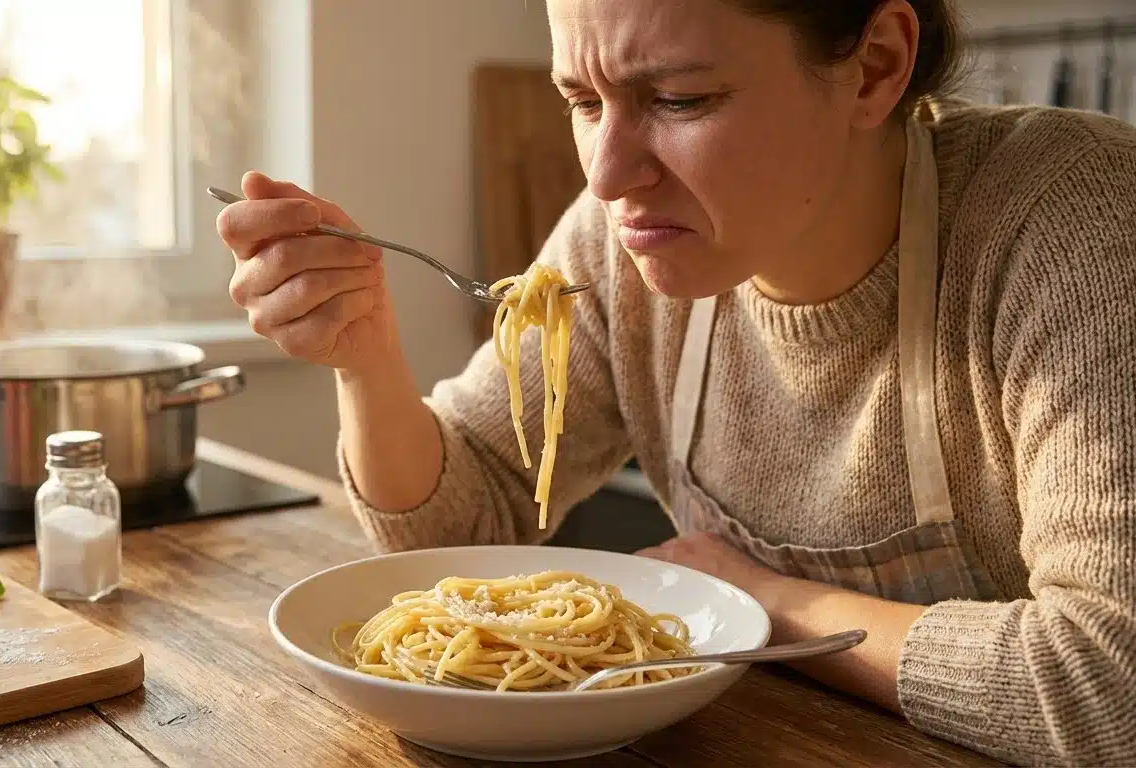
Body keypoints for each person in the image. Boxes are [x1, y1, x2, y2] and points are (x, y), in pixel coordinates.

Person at [217, 0, 1136, 764]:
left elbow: (1106, 685)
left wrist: (762, 602)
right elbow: (460, 521)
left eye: (679, 99)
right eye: (580, 99)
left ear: (874, 66)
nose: (609, 174)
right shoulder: (624, 237)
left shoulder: (1074, 222)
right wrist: (364, 356)